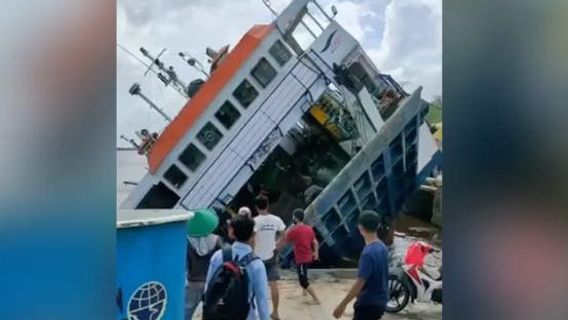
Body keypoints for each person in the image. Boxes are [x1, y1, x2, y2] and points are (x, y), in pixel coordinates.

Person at [205, 215, 270, 320]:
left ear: (231, 232)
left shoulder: (218, 256)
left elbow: (208, 287)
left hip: (218, 313)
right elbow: (261, 299)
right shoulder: (257, 264)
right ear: (252, 235)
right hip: (245, 315)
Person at [333, 211, 389, 320]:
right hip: (380, 301)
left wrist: (342, 304)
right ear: (378, 226)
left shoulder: (367, 253)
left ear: (360, 227)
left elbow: (359, 283)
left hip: (368, 303)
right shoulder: (383, 247)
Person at [277, 208, 321, 304]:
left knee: (303, 281)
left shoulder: (294, 231)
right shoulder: (309, 229)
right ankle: (304, 292)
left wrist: (276, 249)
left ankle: (316, 299)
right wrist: (316, 253)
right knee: (304, 274)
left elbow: (284, 241)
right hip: (308, 256)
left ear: (295, 218)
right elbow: (315, 242)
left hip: (301, 258)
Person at [253, 195, 286, 320]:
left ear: (256, 207)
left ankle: (257, 313)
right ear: (268, 205)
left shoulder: (255, 221)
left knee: (256, 285)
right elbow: (285, 236)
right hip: (272, 255)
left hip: (257, 257)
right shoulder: (276, 220)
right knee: (273, 284)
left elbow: (251, 238)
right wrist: (277, 247)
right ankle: (275, 312)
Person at [185, 209, 221, 320]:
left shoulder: (188, 241)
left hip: (192, 283)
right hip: (210, 284)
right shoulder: (216, 240)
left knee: (186, 312)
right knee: (211, 313)